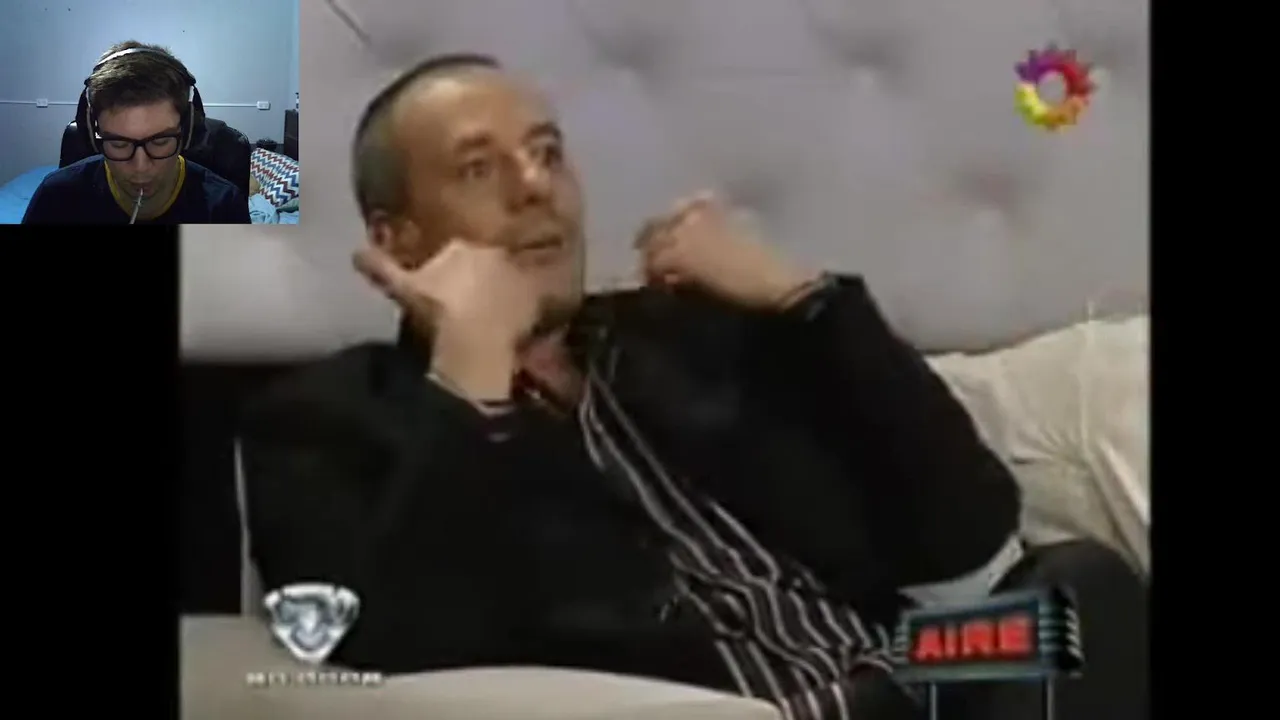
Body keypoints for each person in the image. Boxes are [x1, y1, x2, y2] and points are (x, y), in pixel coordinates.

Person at [240, 54, 1147, 720]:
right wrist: (472, 377)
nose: (536, 188)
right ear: (395, 239)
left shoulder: (686, 333)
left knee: (1074, 592)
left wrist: (808, 303)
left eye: (548, 153)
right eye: (480, 168)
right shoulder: (320, 421)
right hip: (696, 712)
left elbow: (969, 531)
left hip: (901, 681)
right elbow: (390, 655)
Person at [22, 41, 248, 225]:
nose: (140, 167)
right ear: (93, 135)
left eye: (160, 141)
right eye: (119, 144)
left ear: (187, 130)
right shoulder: (56, 197)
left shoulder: (224, 206)